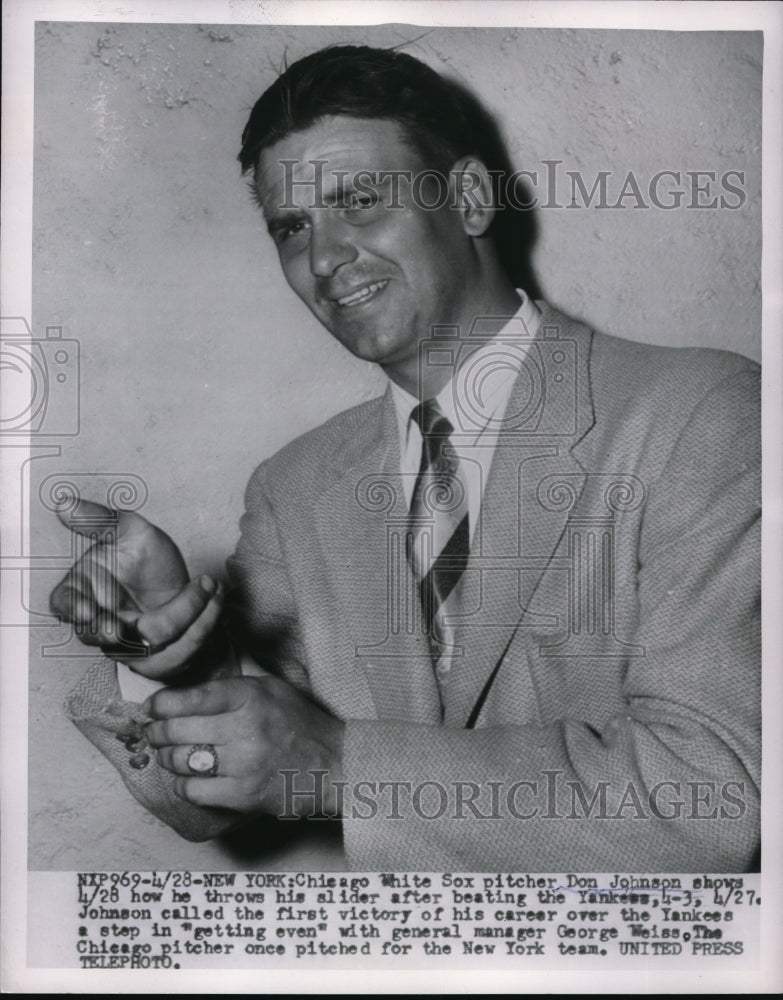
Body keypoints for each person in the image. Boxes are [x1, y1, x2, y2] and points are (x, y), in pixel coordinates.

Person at [51, 44, 760, 871]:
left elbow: (711, 796)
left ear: (465, 199)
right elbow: (203, 804)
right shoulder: (295, 487)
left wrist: (345, 768)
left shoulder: (698, 414)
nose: (322, 259)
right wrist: (170, 650)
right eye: (292, 227)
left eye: (357, 201)